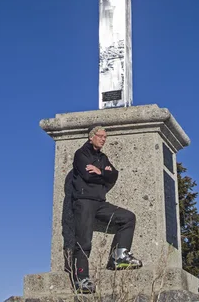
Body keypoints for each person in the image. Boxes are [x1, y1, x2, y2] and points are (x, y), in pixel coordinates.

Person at [71, 125, 142, 294]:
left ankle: (118, 257)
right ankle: (81, 279)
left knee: (128, 217)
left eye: (105, 136)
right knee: (84, 241)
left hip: (100, 203)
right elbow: (88, 175)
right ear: (91, 137)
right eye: (101, 136)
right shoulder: (81, 154)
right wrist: (103, 173)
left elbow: (114, 175)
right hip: (84, 201)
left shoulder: (102, 157)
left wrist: (100, 171)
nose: (103, 139)